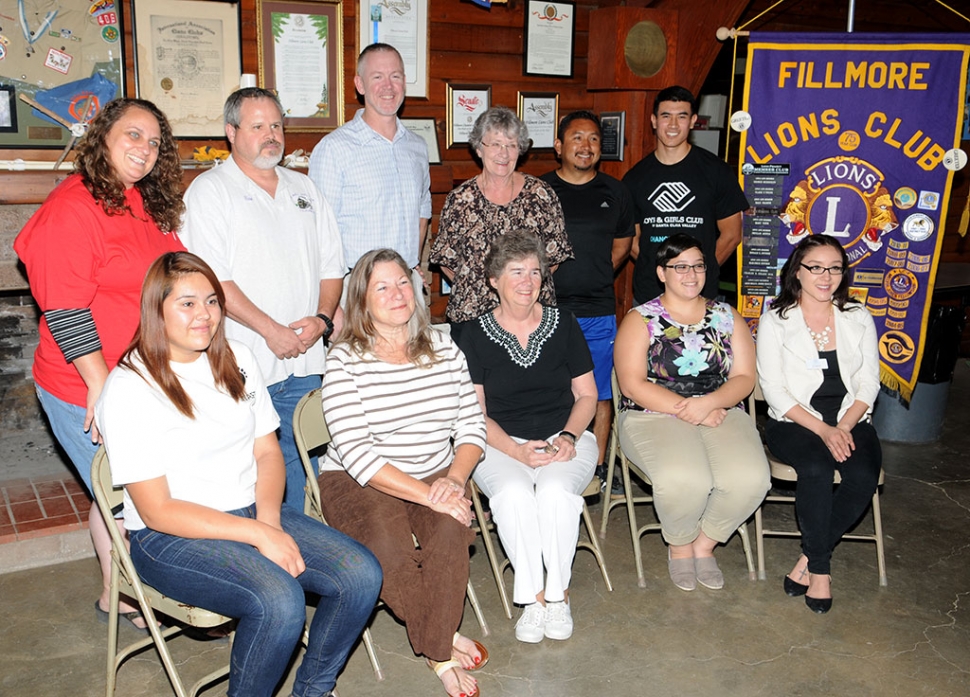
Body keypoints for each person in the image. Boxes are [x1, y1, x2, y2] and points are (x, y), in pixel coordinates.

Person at [96, 252, 382, 697]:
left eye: (211, 301)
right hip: (171, 537)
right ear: (157, 309)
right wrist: (256, 533)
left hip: (250, 508)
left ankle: (313, 688)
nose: (204, 315)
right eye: (187, 303)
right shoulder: (131, 386)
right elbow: (157, 510)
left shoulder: (238, 357)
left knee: (360, 574)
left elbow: (268, 453)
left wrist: (266, 521)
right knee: (279, 601)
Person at [14, 97, 185, 629]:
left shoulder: (137, 200)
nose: (145, 149)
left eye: (155, 141)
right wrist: (100, 384)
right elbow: (64, 305)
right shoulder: (73, 206)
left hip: (141, 376)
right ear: (102, 137)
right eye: (133, 135)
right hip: (82, 380)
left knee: (118, 484)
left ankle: (119, 594)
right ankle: (131, 594)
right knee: (123, 488)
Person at [319, 249, 488, 697]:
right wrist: (427, 493)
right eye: (382, 286)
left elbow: (472, 424)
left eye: (402, 283)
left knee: (453, 531)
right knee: (384, 550)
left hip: (436, 469)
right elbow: (355, 452)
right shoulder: (344, 360)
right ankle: (440, 649)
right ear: (361, 300)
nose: (397, 293)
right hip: (361, 479)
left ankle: (435, 641)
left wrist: (453, 479)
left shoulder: (443, 346)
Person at [182, 87, 345, 511]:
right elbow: (212, 280)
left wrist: (322, 320)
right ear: (231, 132)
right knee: (250, 476)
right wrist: (272, 331)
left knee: (298, 472)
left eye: (276, 125)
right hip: (244, 364)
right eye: (258, 126)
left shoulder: (304, 187)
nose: (270, 135)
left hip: (306, 360)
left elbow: (332, 266)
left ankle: (294, 559)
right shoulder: (209, 191)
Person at [456, 231, 598, 644]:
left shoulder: (565, 324)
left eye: (535, 272)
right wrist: (516, 450)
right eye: (515, 271)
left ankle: (559, 596)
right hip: (497, 443)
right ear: (493, 280)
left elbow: (587, 395)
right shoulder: (470, 335)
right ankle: (534, 600)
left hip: (564, 434)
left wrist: (570, 435)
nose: (527, 281)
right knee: (515, 497)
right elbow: (475, 415)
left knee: (555, 493)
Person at [613, 233, 769, 592]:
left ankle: (705, 543)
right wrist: (692, 410)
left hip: (718, 409)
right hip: (650, 412)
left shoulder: (727, 317)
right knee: (686, 479)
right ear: (661, 273)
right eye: (679, 266)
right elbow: (632, 383)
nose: (691, 273)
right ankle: (680, 547)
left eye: (698, 265)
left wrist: (708, 404)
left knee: (751, 479)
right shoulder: (641, 319)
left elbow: (745, 377)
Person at [756, 234, 882, 614]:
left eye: (835, 268)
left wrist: (843, 426)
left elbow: (869, 383)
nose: (826, 276)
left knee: (862, 474)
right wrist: (825, 431)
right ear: (797, 271)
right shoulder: (776, 321)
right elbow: (774, 391)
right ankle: (822, 572)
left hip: (850, 416)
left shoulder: (857, 317)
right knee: (816, 467)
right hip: (795, 421)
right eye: (816, 267)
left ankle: (808, 559)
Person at [541, 110, 635, 487]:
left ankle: (596, 467)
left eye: (594, 139)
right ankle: (550, 456)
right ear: (559, 146)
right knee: (550, 387)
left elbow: (622, 247)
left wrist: (592, 276)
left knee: (597, 391)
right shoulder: (539, 190)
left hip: (597, 309)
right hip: (545, 310)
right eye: (577, 138)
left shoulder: (616, 192)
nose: (586, 146)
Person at [430, 106, 572, 340]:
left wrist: (519, 293)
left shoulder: (541, 195)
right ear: (478, 148)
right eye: (495, 144)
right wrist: (484, 289)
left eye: (511, 145)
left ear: (520, 149)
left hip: (529, 317)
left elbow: (552, 258)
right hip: (472, 317)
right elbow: (447, 260)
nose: (503, 153)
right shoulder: (459, 199)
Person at [308, 43, 431, 282]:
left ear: (404, 82)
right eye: (377, 77)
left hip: (406, 283)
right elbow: (318, 231)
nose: (388, 86)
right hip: (356, 286)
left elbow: (422, 214)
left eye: (395, 76)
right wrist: (332, 304)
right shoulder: (334, 148)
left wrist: (411, 266)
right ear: (360, 84)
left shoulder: (417, 146)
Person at [622, 86, 750, 305]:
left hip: (701, 296)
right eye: (666, 116)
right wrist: (665, 274)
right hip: (650, 296)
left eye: (681, 116)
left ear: (692, 121)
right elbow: (630, 241)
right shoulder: (635, 178)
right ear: (654, 121)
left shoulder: (717, 171)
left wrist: (696, 274)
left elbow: (731, 235)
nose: (673, 125)